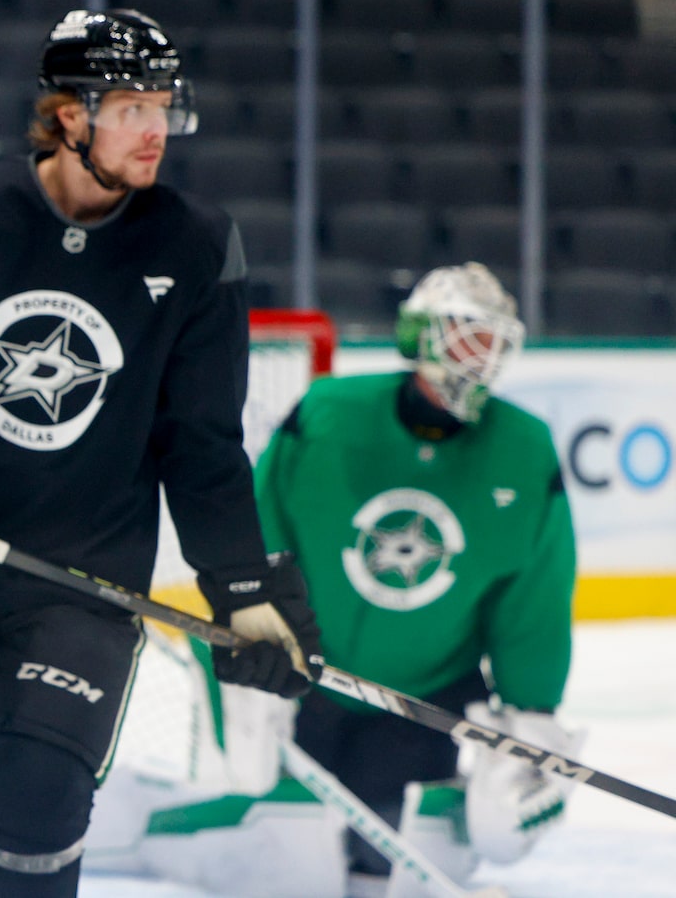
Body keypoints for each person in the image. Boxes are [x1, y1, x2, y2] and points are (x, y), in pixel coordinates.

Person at [0, 8, 323, 898]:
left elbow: (202, 445)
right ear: (70, 116)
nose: (155, 130)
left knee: (36, 807)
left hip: (81, 585)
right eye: (130, 108)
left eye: (164, 107)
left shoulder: (196, 245)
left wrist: (244, 589)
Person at [84, 262, 581, 898]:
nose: (478, 357)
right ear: (420, 336)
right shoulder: (329, 415)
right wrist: (239, 665)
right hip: (304, 677)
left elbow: (532, 599)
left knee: (387, 862)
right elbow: (252, 540)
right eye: (465, 335)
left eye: (491, 341)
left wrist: (530, 716)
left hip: (421, 700)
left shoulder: (525, 449)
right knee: (282, 854)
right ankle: (150, 822)